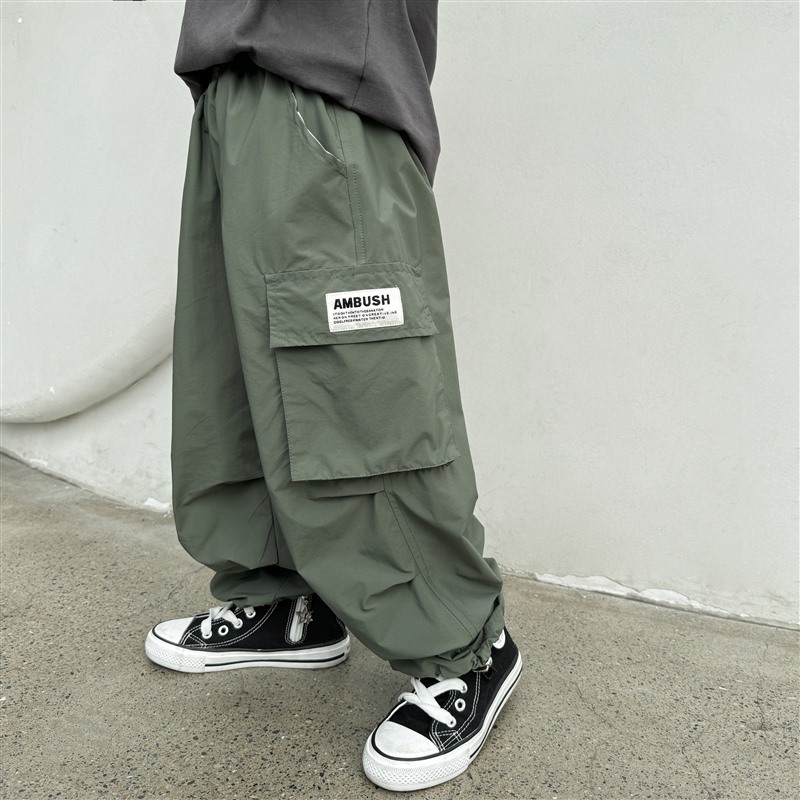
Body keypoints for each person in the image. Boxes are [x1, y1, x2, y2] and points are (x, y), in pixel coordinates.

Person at [144, 0, 522, 791]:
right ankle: (287, 603)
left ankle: (465, 645)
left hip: (323, 84)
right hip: (232, 90)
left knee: (355, 396)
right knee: (234, 388)